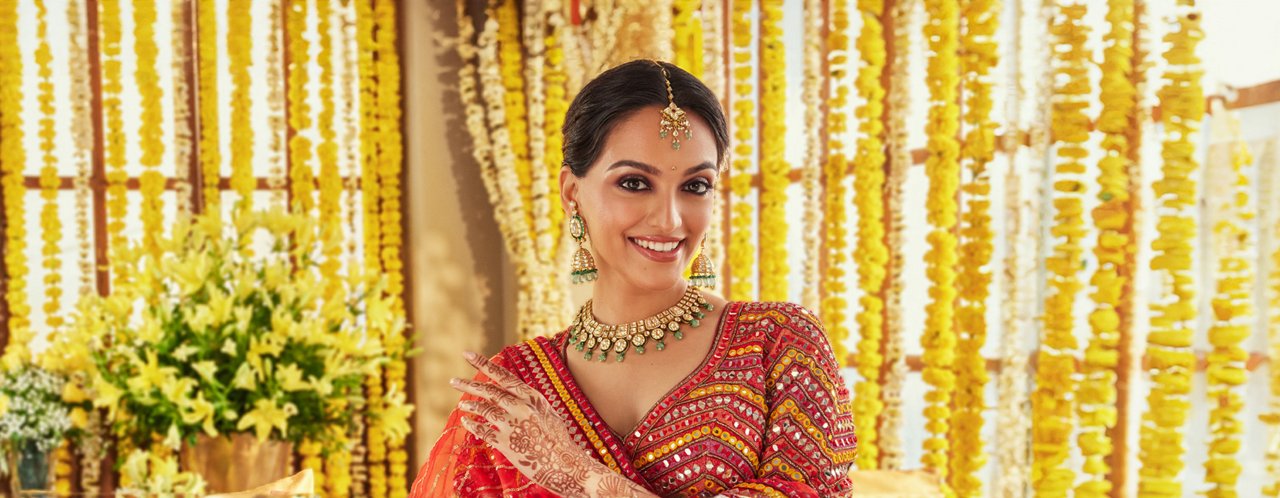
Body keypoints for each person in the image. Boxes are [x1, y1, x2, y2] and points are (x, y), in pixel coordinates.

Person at [410, 60, 857, 497]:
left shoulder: (779, 345)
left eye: (695, 186)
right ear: (572, 193)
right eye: (634, 183)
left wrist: (577, 475)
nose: (669, 219)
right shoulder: (515, 389)